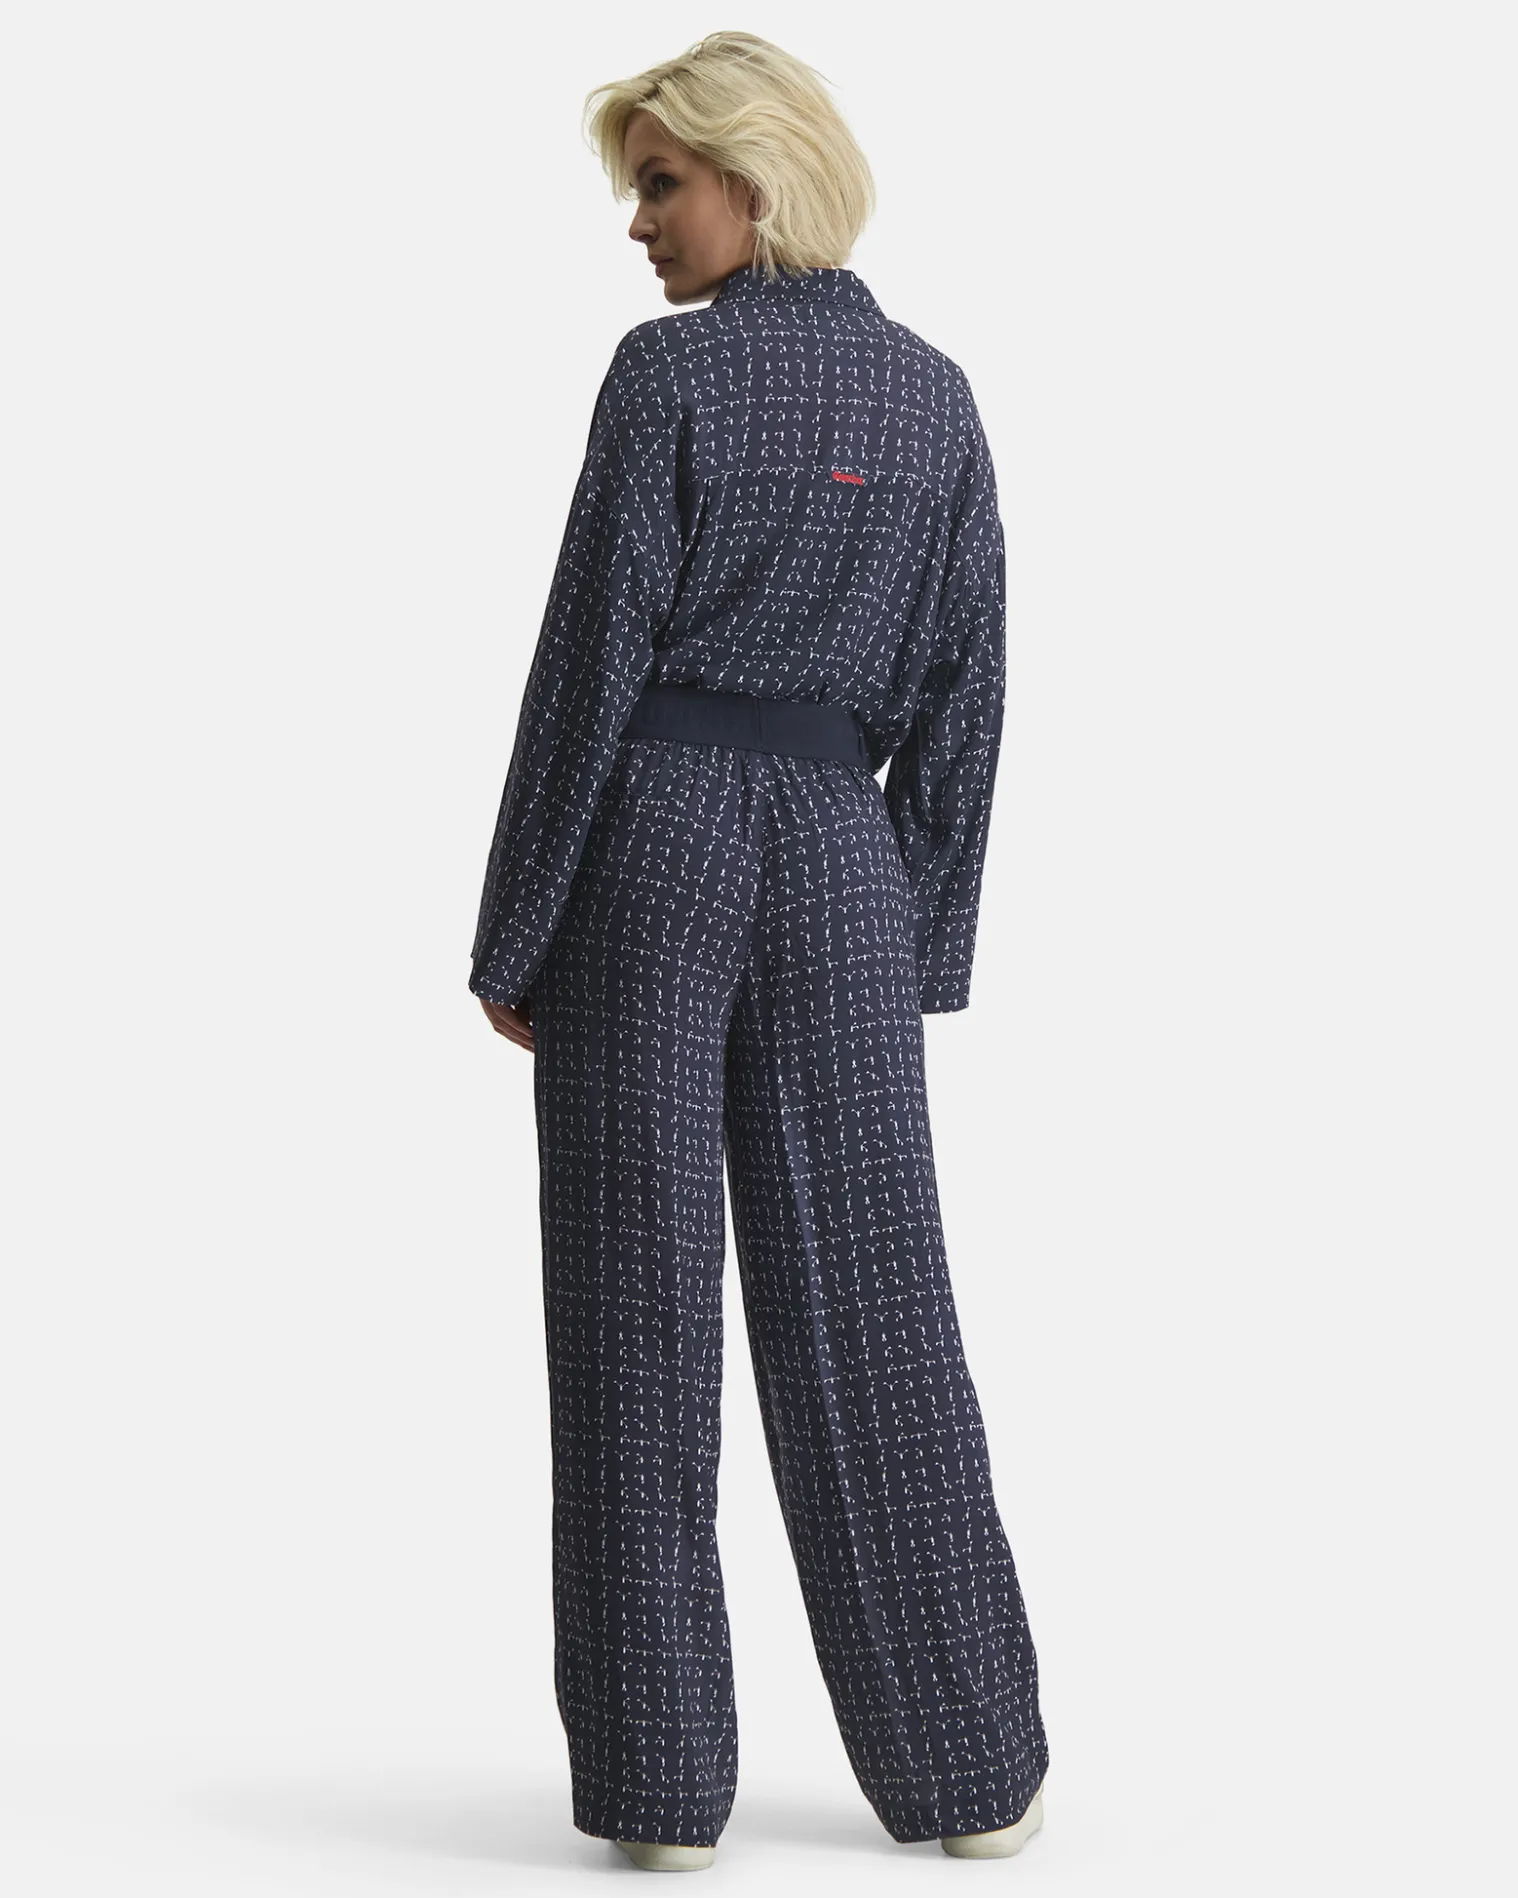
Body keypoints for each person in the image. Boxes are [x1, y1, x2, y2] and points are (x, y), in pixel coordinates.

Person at [467, 31, 1050, 1870]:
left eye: (659, 183)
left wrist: (514, 930)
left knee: (630, 1311)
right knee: (877, 1308)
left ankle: (660, 1794)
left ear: (754, 176)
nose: (638, 223)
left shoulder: (667, 376)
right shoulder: (937, 398)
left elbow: (590, 663)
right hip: (840, 855)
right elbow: (966, 690)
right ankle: (972, 1773)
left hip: (652, 838)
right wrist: (915, 935)